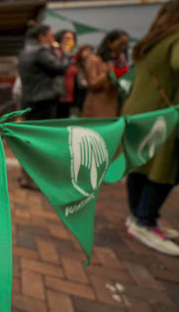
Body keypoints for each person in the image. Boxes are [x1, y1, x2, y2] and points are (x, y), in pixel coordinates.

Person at [123, 0, 179, 256]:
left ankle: (139, 217)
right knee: (164, 168)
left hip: (138, 113)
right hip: (161, 117)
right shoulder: (174, 40)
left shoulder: (149, 42)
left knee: (140, 165)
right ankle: (144, 220)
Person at [17, 23, 70, 189]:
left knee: (30, 139)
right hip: (44, 100)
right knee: (39, 141)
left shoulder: (25, 51)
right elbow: (60, 68)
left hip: (30, 100)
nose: (52, 40)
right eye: (51, 36)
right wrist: (66, 53)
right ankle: (31, 178)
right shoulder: (41, 51)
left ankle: (26, 175)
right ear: (42, 37)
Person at [81, 30, 129, 118]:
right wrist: (107, 74)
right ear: (109, 42)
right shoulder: (94, 60)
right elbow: (92, 83)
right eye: (120, 44)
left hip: (114, 105)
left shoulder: (120, 62)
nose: (123, 47)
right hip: (98, 107)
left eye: (125, 44)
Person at [54, 30, 77, 118]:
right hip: (58, 97)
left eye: (72, 39)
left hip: (70, 97)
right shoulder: (55, 54)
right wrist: (65, 53)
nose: (70, 41)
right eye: (67, 38)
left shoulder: (73, 58)